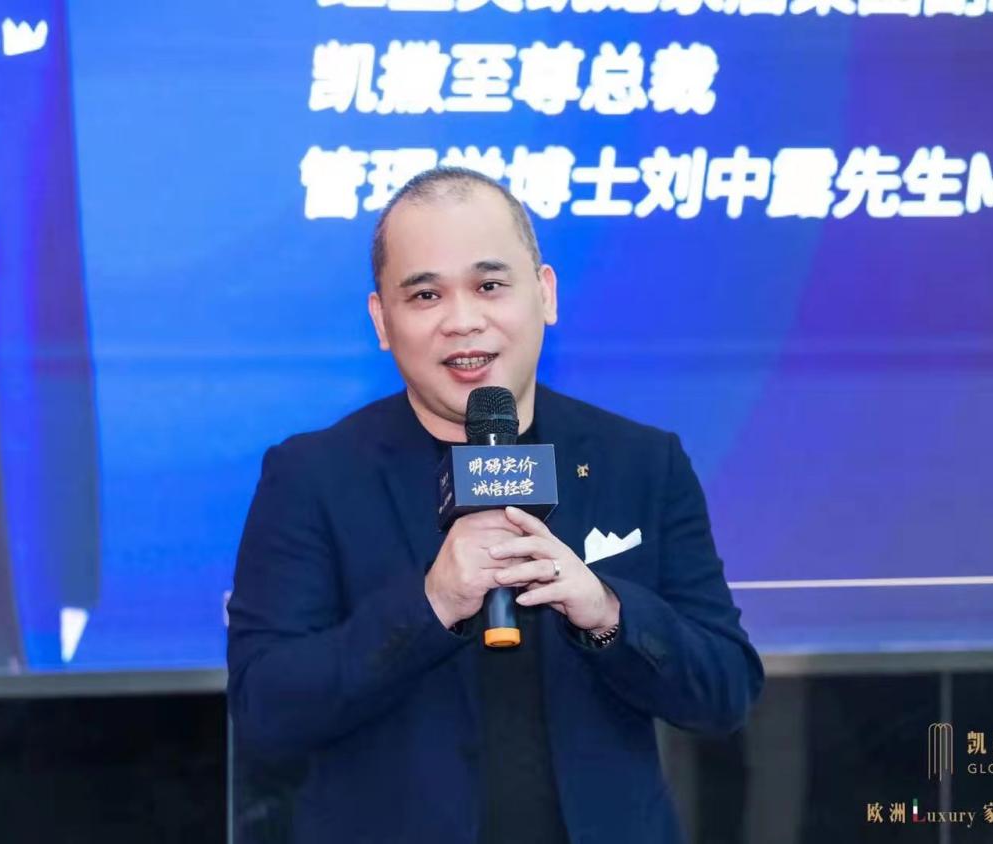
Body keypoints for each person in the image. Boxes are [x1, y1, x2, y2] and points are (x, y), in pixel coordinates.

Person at [227, 168, 764, 844]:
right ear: (383, 321)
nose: (462, 321)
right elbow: (267, 709)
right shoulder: (312, 476)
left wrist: (606, 613)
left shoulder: (642, 462)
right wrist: (431, 605)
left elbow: (724, 693)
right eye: (426, 294)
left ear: (545, 294)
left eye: (489, 286)